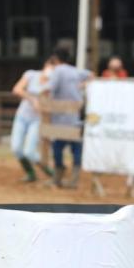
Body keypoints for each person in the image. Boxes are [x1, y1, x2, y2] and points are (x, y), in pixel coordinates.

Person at [46, 48, 94, 188]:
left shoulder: (57, 71)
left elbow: (50, 89)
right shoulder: (76, 71)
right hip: (76, 117)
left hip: (60, 118)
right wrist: (81, 86)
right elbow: (91, 75)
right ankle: (74, 181)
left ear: (56, 59)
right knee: (77, 149)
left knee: (57, 148)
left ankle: (57, 179)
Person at [10, 57, 57, 182]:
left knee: (29, 152)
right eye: (51, 67)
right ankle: (30, 173)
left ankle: (51, 172)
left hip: (37, 120)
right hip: (22, 116)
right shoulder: (31, 75)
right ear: (46, 65)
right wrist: (32, 99)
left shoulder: (52, 84)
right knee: (16, 149)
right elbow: (17, 89)